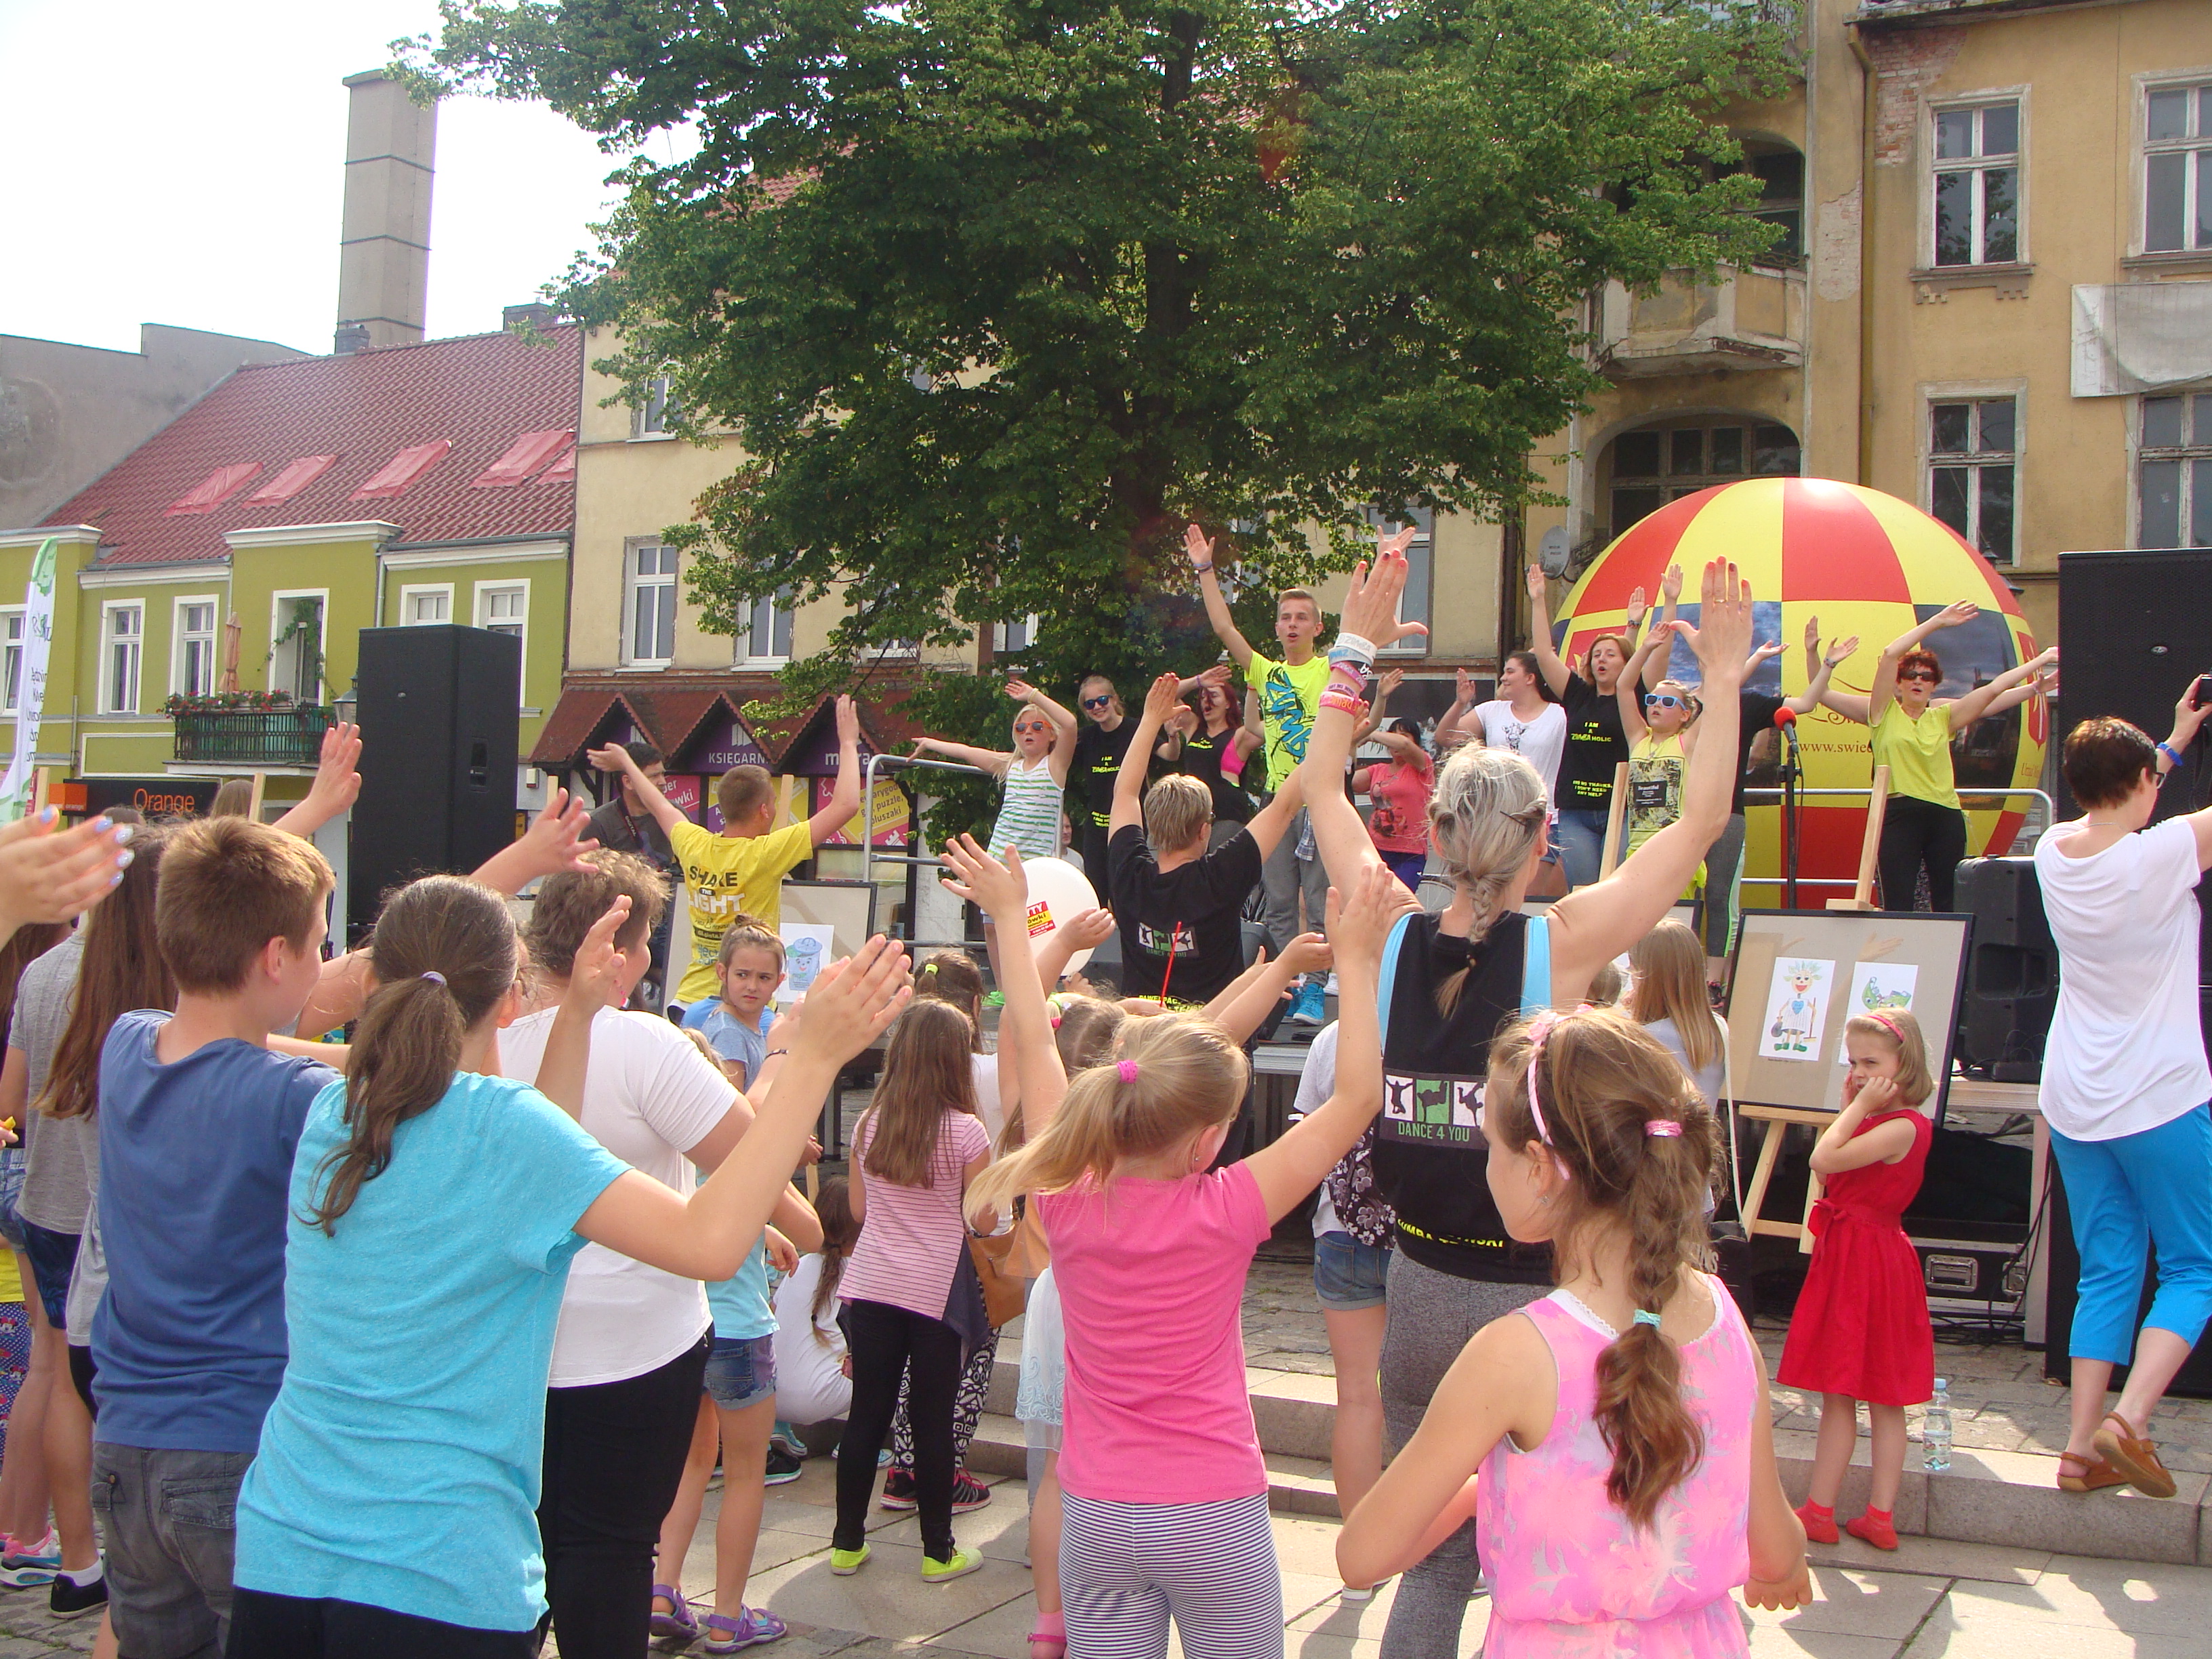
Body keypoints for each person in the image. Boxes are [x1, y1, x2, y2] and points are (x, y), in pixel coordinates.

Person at [228, 878, 912, 1654]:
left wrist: (579, 1016)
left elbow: (529, 1161)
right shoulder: (506, 1134)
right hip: (438, 1572)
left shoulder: (335, 1112)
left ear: (374, 984)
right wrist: (812, 1059)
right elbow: (711, 1241)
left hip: (282, 1549)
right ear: (509, 1001)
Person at [1302, 538, 1754, 1659]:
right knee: (1570, 1548)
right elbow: (1698, 824)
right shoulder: (1562, 943)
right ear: (1542, 837)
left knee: (1428, 1565)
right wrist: (1723, 678)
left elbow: (1317, 784)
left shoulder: (1388, 928)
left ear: (1439, 834)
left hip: (1415, 1281)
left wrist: (1354, 645)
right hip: (1534, 1301)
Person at [950, 832, 1393, 1659]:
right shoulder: (1230, 1206)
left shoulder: (1065, 1198)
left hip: (1095, 1513)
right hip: (1212, 1510)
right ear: (1207, 1141)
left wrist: (1011, 919)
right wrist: (1359, 964)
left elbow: (1033, 1036)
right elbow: (1359, 1096)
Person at [1335, 1006, 1811, 1647]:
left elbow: (1362, 1554)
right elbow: (1775, 1549)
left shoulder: (1515, 1353)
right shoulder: (1724, 1319)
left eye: (1490, 1146)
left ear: (1539, 1166)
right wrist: (1784, 1568)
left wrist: (1482, 1492)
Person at [499, 852, 773, 1658]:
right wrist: (796, 1065)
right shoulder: (645, 1045)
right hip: (636, 1349)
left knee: (517, 1550)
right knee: (612, 1555)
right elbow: (753, 1159)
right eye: (649, 940)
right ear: (618, 948)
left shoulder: (487, 1040)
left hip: (513, 1344)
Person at [85, 817, 340, 1655]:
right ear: (275, 958)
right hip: (237, 1445)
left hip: (126, 1445)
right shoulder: (292, 1098)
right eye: (318, 945)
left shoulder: (125, 1045)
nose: (323, 964)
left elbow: (228, 1043)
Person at [2032, 694, 2212, 1500]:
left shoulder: (2054, 852)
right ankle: (2129, 1420)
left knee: (2107, 1267)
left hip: (2075, 1096)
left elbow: (2124, 798)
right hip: (2160, 1094)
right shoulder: (2162, 853)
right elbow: (2152, 813)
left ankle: (2078, 1450)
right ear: (2142, 783)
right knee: (2197, 1267)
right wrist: (2164, 751)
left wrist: (2171, 742)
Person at [7, 823, 181, 1623]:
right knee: (137, 1396)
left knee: (53, 1377)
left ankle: (69, 1557)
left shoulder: (44, 969)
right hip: (122, 1220)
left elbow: (11, 1101)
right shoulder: (165, 979)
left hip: (47, 1204)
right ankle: (141, 1564)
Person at [830, 997, 993, 1584]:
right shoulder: (967, 1130)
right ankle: (938, 1551)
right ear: (955, 1060)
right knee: (931, 1421)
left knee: (865, 1416)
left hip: (872, 1285)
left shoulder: (869, 1124)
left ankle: (846, 1545)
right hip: (934, 1292)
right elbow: (983, 1218)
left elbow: (858, 1210)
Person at [588, 694, 863, 1015]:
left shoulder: (694, 844)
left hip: (688, 1002)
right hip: (740, 1005)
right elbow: (846, 805)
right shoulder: (766, 853)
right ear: (764, 811)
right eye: (774, 803)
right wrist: (848, 743)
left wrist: (627, 762)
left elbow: (658, 804)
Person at [1781, 1009, 1936, 1553]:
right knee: (1848, 1390)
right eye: (1853, 1063)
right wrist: (1858, 1107)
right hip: (1860, 1253)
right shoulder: (1880, 1121)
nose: (1860, 1073)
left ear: (1904, 1064)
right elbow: (1831, 1170)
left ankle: (1852, 1511)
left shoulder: (1901, 1125)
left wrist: (1855, 1107)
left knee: (1865, 1393)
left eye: (1871, 1062)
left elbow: (1822, 1158)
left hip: (1866, 1259)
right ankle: (1846, 1513)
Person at [1803, 600, 2055, 914]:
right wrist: (1938, 621)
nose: (1918, 680)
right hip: (1898, 812)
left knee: (1949, 900)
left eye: (1926, 676)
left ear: (1934, 685)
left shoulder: (1942, 716)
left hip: (1944, 813)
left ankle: (1950, 947)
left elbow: (1992, 694)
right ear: (1898, 683)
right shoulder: (1882, 712)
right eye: (1910, 675)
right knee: (1899, 900)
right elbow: (1838, 683)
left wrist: (2038, 671)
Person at [1107, 674, 1309, 1008]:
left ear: (1152, 827)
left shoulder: (1128, 873)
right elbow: (1285, 807)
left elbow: (1125, 793)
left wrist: (1150, 720)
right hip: (1211, 1033)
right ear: (1205, 831)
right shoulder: (1220, 877)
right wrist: (1328, 729)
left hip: (1140, 1033)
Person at [1185, 524, 1332, 971]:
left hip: (1319, 799)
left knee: (1321, 899)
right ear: (1277, 627)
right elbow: (1223, 627)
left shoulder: (1329, 668)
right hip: (1276, 799)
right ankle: (1285, 981)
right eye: (1286, 617)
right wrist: (1205, 570)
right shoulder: (1267, 672)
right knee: (1280, 900)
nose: (1293, 624)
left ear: (1317, 627)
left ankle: (1317, 984)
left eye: (1301, 617)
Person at [1290, 1021, 1392, 1532]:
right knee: (1439, 1399)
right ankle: (1438, 1549)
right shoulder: (1451, 1025)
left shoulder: (1333, 1037)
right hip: (1430, 1241)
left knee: (1356, 1396)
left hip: (1340, 1230)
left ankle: (1361, 1546)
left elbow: (1304, 1134)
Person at [1525, 565, 1647, 888]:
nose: (1601, 659)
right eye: (1596, 655)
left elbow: (1640, 660)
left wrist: (1634, 626)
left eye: (1610, 655)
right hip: (1576, 810)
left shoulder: (1633, 696)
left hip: (1620, 808)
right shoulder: (1578, 694)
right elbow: (1544, 655)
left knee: (1615, 888)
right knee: (1582, 889)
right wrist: (1538, 601)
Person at [585, 741, 678, 1008]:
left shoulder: (674, 816)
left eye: (663, 774)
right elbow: (586, 879)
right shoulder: (600, 822)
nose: (662, 782)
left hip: (668, 917)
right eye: (654, 776)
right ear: (628, 781)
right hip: (624, 921)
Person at [772, 1179, 858, 1435]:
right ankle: (859, 1444)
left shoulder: (800, 1265)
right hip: (818, 1398)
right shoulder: (863, 1272)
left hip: (768, 1397)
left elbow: (773, 1312)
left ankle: (779, 1431)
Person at [1626, 920, 1727, 1107]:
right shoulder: (1718, 1027)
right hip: (1704, 1125)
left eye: (1632, 969)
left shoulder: (1645, 1037)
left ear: (1644, 975)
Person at [683, 920, 784, 1086]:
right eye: (742, 975)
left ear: (779, 981)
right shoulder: (729, 1033)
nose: (752, 986)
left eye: (764, 977)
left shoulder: (743, 1027)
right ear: (723, 973)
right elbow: (733, 1102)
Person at [1170, 671, 1259, 836]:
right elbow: (1168, 694)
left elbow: (1272, 728)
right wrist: (1198, 680)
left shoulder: (1239, 735)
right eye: (1204, 697)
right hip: (1192, 815)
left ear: (1228, 703)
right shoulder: (1193, 727)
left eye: (1214, 696)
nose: (1207, 701)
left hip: (1226, 817)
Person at [1353, 715, 1433, 890]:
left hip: (1410, 853)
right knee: (1373, 898)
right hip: (1377, 849)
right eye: (1393, 735)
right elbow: (1349, 781)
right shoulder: (1378, 770)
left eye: (1404, 735)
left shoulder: (1423, 765)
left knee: (1397, 898)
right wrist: (1351, 744)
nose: (1397, 741)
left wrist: (1370, 734)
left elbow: (1404, 746)